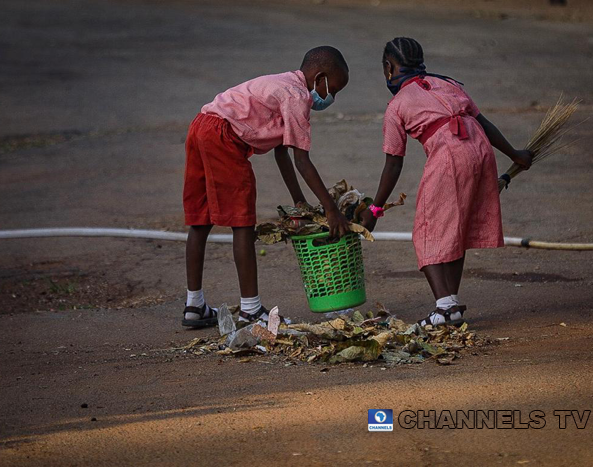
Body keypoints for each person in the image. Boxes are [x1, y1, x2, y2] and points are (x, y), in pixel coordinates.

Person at [360, 37, 532, 327]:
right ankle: (450, 304)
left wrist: (375, 210)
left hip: (451, 157)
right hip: (481, 151)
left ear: (388, 68)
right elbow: (484, 123)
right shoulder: (449, 84)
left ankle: (445, 308)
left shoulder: (397, 105)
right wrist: (515, 154)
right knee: (457, 229)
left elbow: (393, 163)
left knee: (425, 231)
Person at [182, 46, 350, 328]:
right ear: (320, 77)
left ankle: (194, 305)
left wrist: (299, 200)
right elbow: (302, 160)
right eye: (334, 88)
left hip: (201, 126)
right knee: (242, 224)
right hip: (224, 138)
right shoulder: (297, 96)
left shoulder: (284, 82)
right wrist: (332, 210)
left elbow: (282, 151)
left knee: (201, 220)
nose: (332, 97)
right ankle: (250, 309)